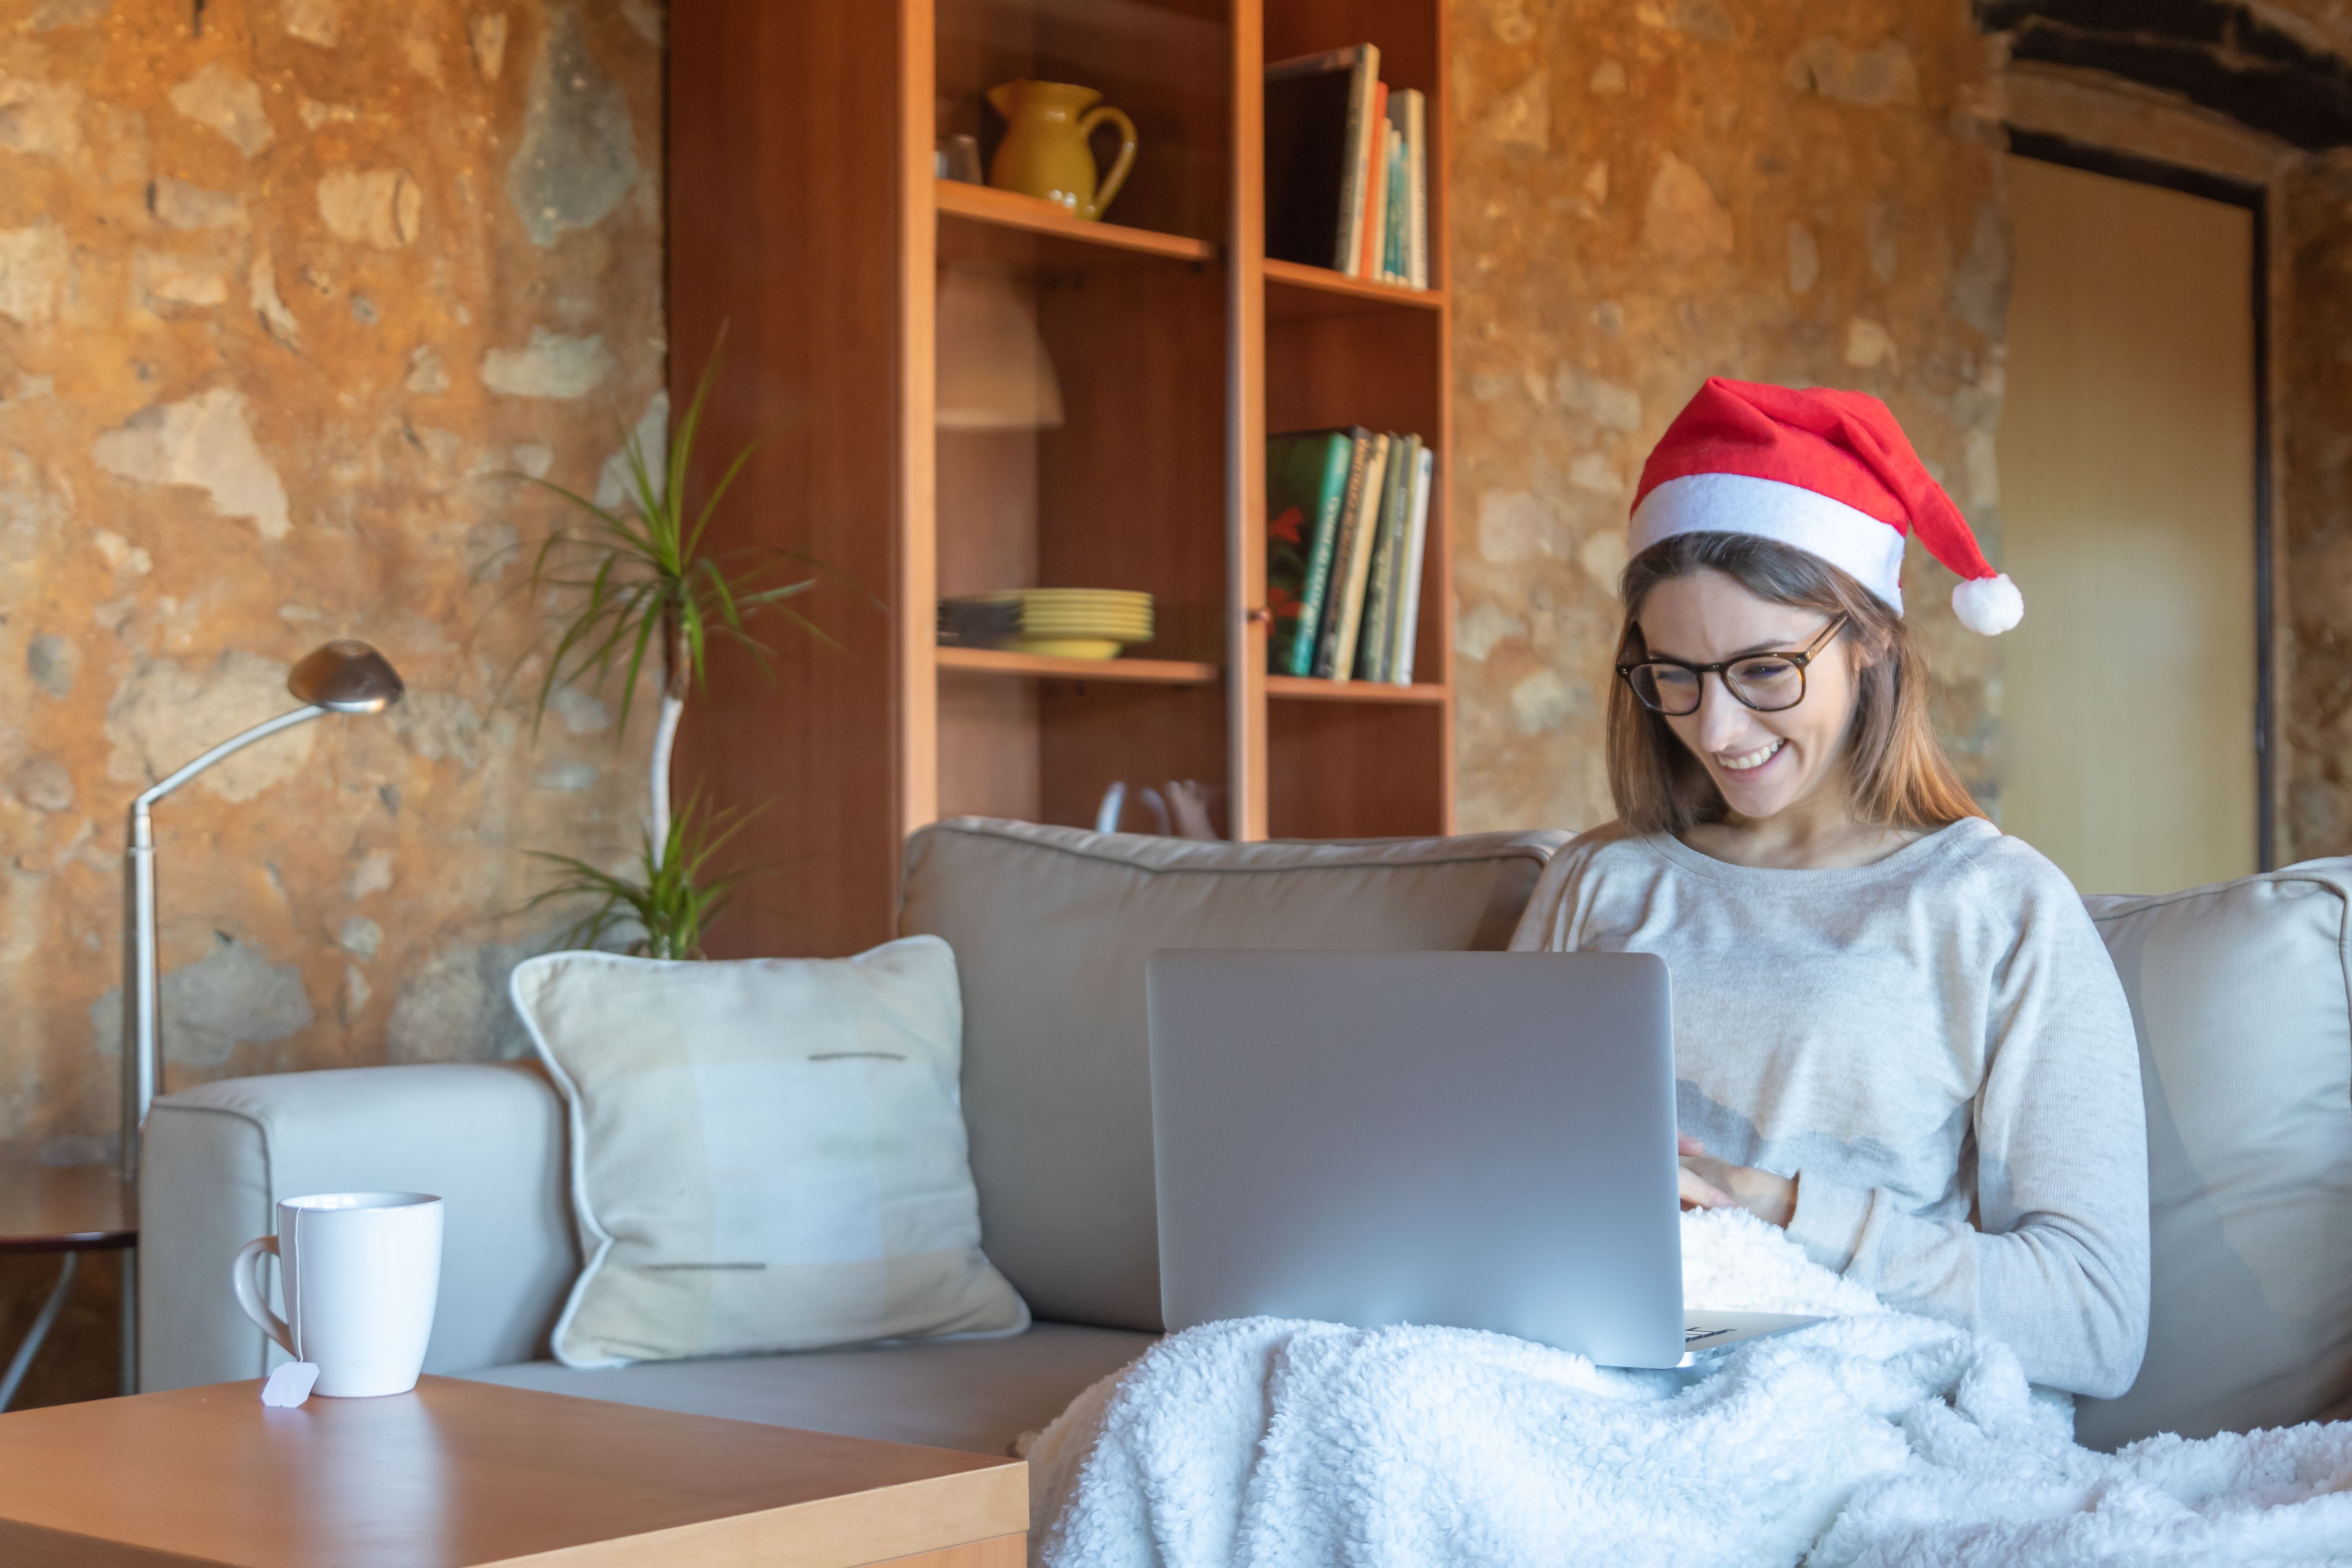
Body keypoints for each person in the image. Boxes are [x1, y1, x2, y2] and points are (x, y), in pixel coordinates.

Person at [1510, 377, 2149, 1399]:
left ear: (1872, 643)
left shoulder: (1996, 905)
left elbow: (2093, 1317)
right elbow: (1492, 1186)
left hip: (1839, 1392)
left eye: (1763, 670)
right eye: (1673, 674)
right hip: (1589, 1370)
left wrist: (1771, 1208)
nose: (1714, 728)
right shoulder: (1598, 880)